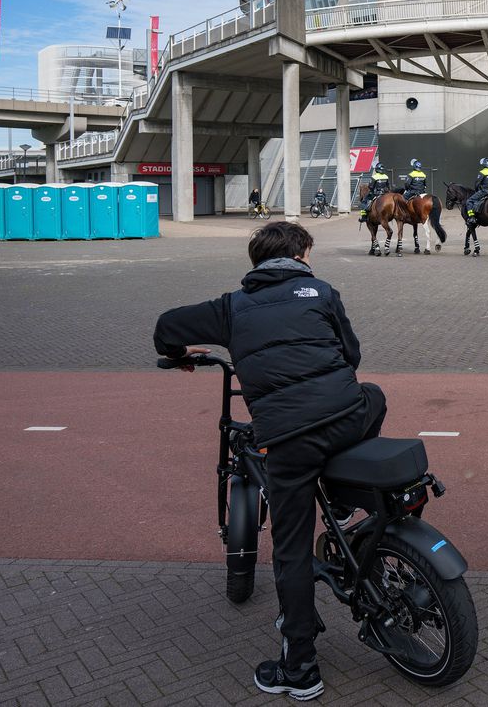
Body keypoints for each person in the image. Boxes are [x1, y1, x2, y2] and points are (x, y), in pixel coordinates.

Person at [153, 222, 386, 700]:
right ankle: (341, 501)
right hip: (345, 416)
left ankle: (300, 668)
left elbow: (165, 327)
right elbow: (352, 354)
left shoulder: (230, 308)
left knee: (291, 549)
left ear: (257, 262)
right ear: (300, 253)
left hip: (290, 440)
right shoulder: (321, 291)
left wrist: (179, 354)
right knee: (375, 395)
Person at [464, 158, 488, 227]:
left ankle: (471, 218)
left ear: (484, 164)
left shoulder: (482, 172)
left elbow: (477, 183)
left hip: (484, 191)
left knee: (469, 201)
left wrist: (476, 190)